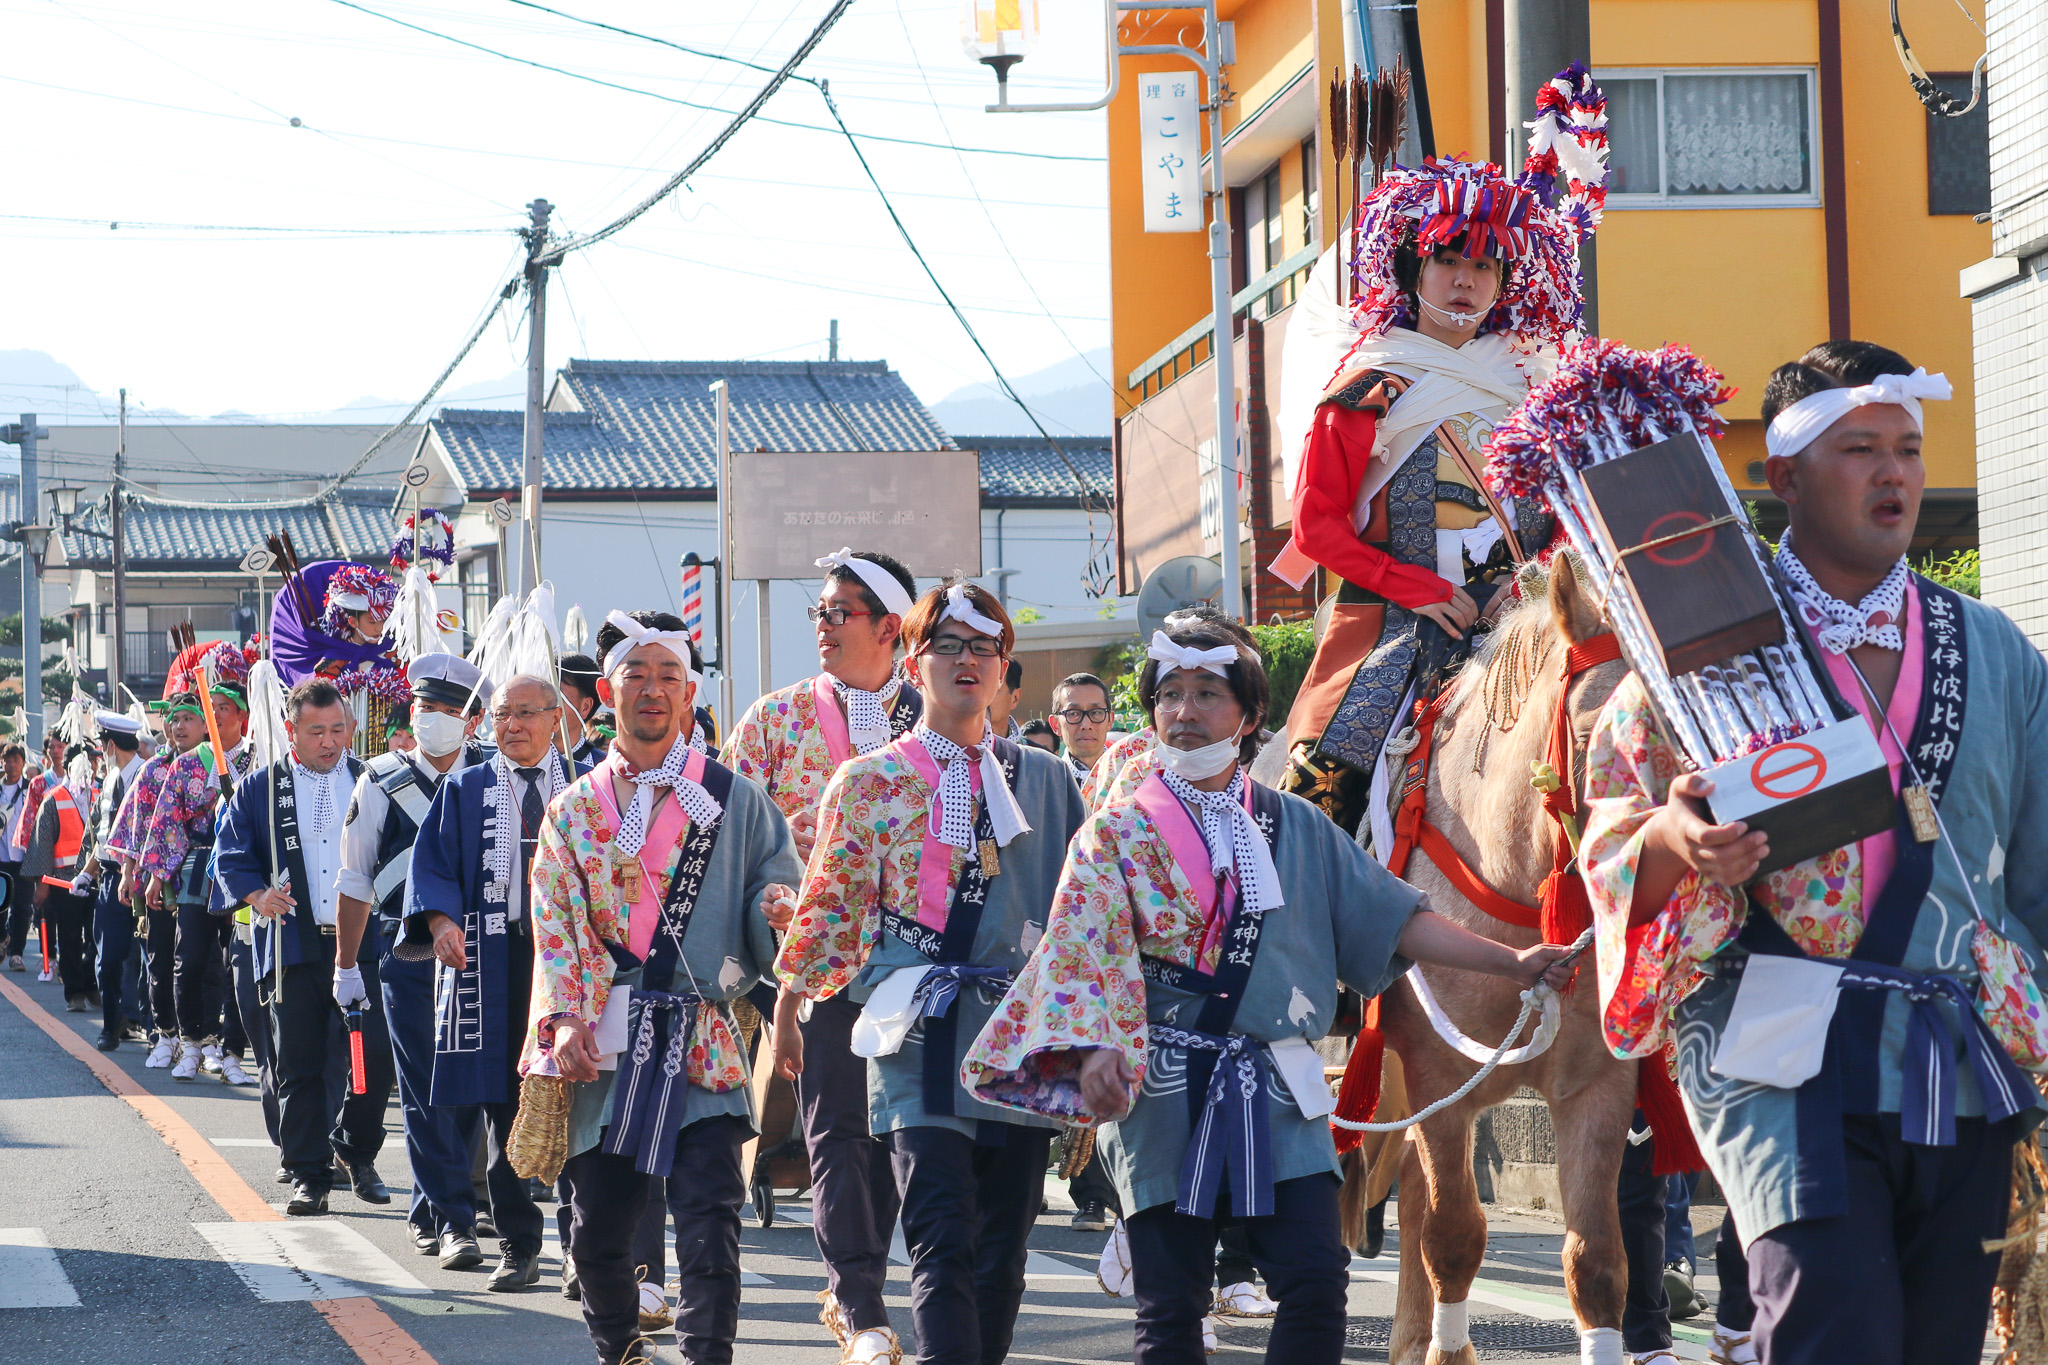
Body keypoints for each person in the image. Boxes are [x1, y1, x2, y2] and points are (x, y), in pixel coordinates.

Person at [1579, 341, 2048, 1365]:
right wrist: (1673, 836)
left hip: (1957, 1047)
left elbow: (2038, 879)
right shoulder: (1692, 649)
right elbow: (1612, 845)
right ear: (1780, 476)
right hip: (1778, 1037)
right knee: (1833, 1329)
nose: (1893, 474)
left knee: (1936, 1345)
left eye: (1908, 449)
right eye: (1858, 449)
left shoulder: (1997, 649)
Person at [962, 618, 1576, 1365]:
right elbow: (1076, 955)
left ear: (1250, 716)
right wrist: (1095, 1048)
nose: (1184, 712)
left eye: (1208, 694)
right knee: (1173, 1306)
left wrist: (1514, 963)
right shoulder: (1113, 835)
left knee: (1318, 1279)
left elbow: (1400, 918)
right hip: (1162, 1087)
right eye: (1171, 695)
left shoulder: (1300, 826)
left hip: (1278, 1088)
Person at [777, 581, 1089, 1365]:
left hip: (1018, 1037)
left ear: (1004, 665)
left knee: (1003, 1254)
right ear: (914, 662)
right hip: (915, 1035)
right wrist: (788, 1004)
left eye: (984, 646)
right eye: (947, 644)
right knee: (942, 1236)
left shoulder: (1049, 782)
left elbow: (1083, 920)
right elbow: (827, 915)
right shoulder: (869, 780)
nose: (966, 659)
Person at [1270, 113, 1605, 840]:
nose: (1464, 280)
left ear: (1504, 280)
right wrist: (1418, 589)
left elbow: (1562, 516)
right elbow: (1316, 528)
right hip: (1401, 620)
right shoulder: (1368, 386)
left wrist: (1544, 586)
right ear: (1413, 270)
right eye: (1448, 260)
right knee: (1319, 795)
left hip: (1526, 612)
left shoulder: (1532, 384)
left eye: (1483, 266)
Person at [529, 610, 800, 1365]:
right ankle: (620, 1348)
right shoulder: (573, 808)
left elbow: (772, 883)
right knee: (598, 1228)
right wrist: (566, 1019)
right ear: (604, 692)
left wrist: (773, 911)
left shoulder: (736, 799)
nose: (652, 690)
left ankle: (708, 1353)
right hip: (607, 1036)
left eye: (668, 676)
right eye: (635, 675)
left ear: (689, 694)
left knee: (713, 1216)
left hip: (701, 1040)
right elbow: (555, 924)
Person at [727, 547, 920, 1365]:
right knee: (836, 1127)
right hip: (819, 956)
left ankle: (860, 1279)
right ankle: (859, 1299)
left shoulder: (936, 714)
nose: (825, 624)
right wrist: (772, 887)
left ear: (892, 628)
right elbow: (725, 830)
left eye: (842, 612)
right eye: (820, 611)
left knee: (893, 1132)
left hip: (918, 962)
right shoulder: (773, 719)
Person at [399, 671, 573, 1291]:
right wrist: (442, 921)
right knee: (503, 1103)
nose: (513, 726)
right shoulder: (466, 788)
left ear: (556, 718)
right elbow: (433, 865)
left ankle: (581, 1244)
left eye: (527, 713)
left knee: (577, 1100)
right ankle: (520, 1244)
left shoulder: (587, 782)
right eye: (502, 715)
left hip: (571, 963)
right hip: (492, 961)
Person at [216, 678, 396, 1216]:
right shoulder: (262, 788)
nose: (328, 742)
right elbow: (228, 850)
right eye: (316, 731)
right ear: (292, 730)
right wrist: (256, 893)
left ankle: (357, 1152)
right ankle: (308, 1173)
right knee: (299, 1062)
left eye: (338, 729)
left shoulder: (373, 781)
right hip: (292, 947)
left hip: (360, 946)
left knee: (371, 1062)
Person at [335, 654, 493, 1265]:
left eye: (451, 710)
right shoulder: (380, 777)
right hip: (404, 954)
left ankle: (432, 1204)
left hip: (479, 952)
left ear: (473, 719)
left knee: (472, 1088)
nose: (436, 720)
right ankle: (455, 1218)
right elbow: (356, 878)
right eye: (427, 708)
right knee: (425, 1087)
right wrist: (346, 965)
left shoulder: (492, 775)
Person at [112, 700, 204, 1066]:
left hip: (203, 877)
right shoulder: (153, 770)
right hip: (159, 882)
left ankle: (204, 1039)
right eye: (174, 720)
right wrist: (127, 872)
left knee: (202, 962)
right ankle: (165, 1033)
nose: (179, 726)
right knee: (160, 958)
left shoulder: (217, 766)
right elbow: (134, 826)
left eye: (188, 719)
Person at [21, 744, 100, 1011]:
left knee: (96, 936)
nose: (91, 768)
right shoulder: (54, 797)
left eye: (94, 762)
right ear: (69, 768)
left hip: (96, 878)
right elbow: (42, 844)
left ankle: (91, 984)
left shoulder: (99, 793)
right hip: (63, 880)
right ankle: (75, 992)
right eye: (86, 763)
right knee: (69, 937)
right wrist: (42, 884)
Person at [84, 716, 146, 1049]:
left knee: (152, 960)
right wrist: (86, 871)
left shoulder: (148, 775)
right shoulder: (108, 780)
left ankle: (156, 1029)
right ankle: (111, 1025)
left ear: (110, 746)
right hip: (110, 879)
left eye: (102, 747)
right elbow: (103, 834)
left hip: (147, 880)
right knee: (107, 958)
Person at [1048, 672, 1115, 781]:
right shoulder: (1046, 783)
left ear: (1110, 720)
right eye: (1074, 713)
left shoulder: (1132, 777)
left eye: (1096, 713)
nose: (1086, 725)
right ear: (1056, 724)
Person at [1, 742, 30, 971]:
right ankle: (3, 940)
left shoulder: (31, 790)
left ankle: (17, 953)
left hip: (23, 859)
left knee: (21, 907)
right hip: (1, 858)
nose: (11, 765)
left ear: (23, 763)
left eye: (15, 761)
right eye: (7, 760)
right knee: (1, 906)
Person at [558, 653, 608, 767]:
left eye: (556, 696)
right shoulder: (518, 766)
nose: (545, 704)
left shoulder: (605, 770)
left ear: (585, 707)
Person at [988, 658, 1024, 741]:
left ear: (1015, 698)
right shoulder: (955, 752)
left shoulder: (1031, 753)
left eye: (993, 690)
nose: (983, 697)